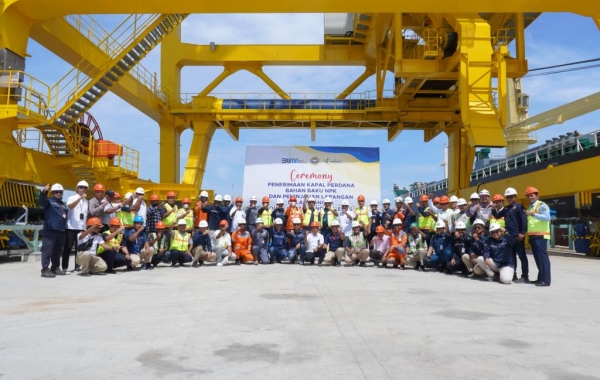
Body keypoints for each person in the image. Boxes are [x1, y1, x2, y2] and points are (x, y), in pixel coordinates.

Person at [493, 187, 528, 283]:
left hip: (518, 236)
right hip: (509, 236)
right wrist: (493, 208)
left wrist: (522, 233)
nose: (509, 199)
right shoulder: (506, 209)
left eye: (511, 197)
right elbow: (497, 215)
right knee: (511, 256)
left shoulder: (520, 207)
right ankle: (514, 275)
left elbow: (524, 220)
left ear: (516, 197)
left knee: (522, 256)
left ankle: (525, 276)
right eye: (507, 197)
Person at [39, 183, 69, 278]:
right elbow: (41, 201)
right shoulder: (48, 202)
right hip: (50, 230)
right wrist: (44, 191)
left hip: (61, 231)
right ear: (52, 193)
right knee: (47, 250)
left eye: (60, 192)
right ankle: (44, 269)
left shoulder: (63, 205)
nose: (59, 193)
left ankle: (55, 268)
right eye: (56, 192)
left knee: (57, 251)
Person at [524, 186, 552, 287]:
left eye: (532, 195)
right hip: (533, 236)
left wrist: (532, 214)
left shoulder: (541, 205)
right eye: (528, 196)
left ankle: (545, 280)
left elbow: (547, 217)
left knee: (542, 258)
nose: (530, 197)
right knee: (538, 258)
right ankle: (540, 278)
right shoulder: (531, 207)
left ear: (537, 195)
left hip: (540, 236)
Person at [63, 180, 89, 272]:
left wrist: (85, 228)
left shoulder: (86, 202)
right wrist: (79, 199)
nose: (83, 189)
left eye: (85, 188)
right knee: (68, 248)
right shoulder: (72, 197)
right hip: (71, 227)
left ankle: (77, 266)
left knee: (79, 249)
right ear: (77, 189)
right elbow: (70, 207)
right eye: (81, 187)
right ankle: (65, 267)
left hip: (81, 228)